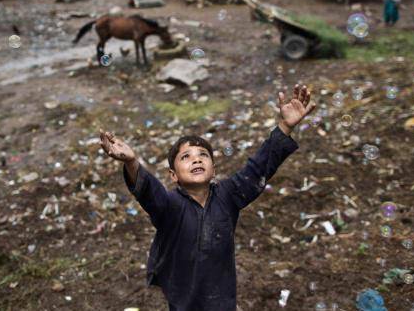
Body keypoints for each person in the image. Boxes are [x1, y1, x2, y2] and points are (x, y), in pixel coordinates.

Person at [99, 84, 316, 311]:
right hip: (182, 297)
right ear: (173, 175)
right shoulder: (170, 205)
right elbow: (149, 192)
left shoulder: (228, 195)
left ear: (213, 169)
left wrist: (284, 127)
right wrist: (132, 162)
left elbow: (258, 168)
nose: (197, 159)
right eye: (186, 157)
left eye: (204, 155)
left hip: (221, 296)